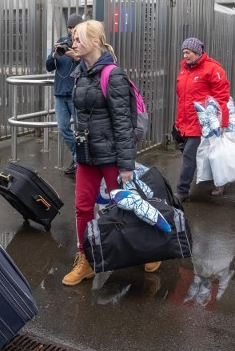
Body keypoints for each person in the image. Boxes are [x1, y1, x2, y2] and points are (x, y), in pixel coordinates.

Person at [62, 20, 159, 286]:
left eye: (79, 39)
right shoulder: (80, 73)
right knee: (83, 208)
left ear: (95, 42)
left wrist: (126, 166)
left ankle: (149, 249)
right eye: (74, 40)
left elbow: (123, 124)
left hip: (113, 157)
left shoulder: (113, 74)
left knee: (126, 207)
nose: (75, 44)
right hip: (87, 154)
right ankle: (86, 260)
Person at [173, 37, 231, 201]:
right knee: (204, 153)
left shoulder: (213, 69)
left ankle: (182, 191)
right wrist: (178, 122)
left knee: (189, 155)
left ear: (198, 52)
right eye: (184, 52)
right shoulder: (184, 69)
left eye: (188, 52)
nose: (185, 55)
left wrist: (221, 122)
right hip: (187, 120)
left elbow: (222, 97)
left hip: (203, 122)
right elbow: (182, 98)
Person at [46, 13, 82, 175]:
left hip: (77, 94)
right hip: (60, 94)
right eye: (70, 27)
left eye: (75, 27)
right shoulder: (60, 42)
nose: (72, 31)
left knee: (82, 130)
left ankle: (81, 161)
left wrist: (75, 57)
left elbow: (88, 67)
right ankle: (77, 157)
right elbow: (49, 67)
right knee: (63, 128)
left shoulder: (82, 44)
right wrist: (54, 54)